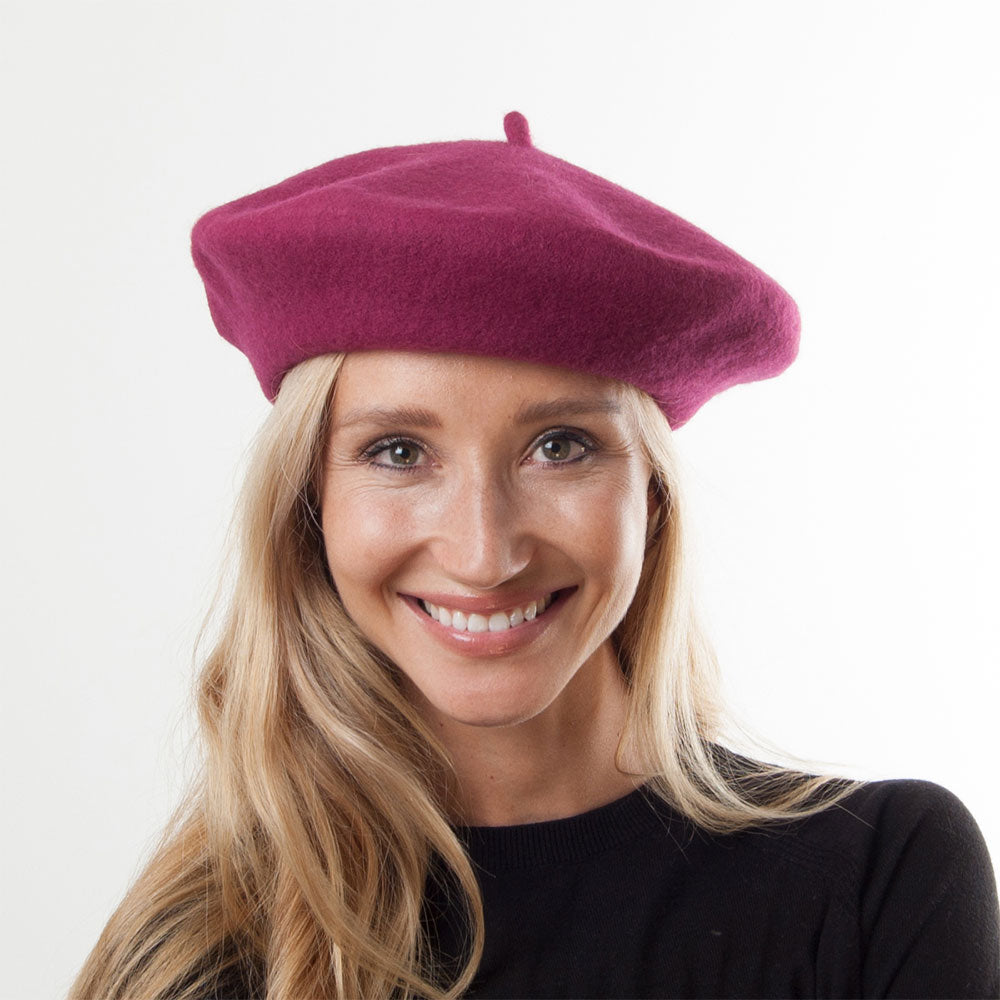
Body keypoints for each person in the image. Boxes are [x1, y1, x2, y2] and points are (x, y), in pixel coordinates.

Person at [69, 111, 1000, 1000]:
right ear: (310, 505)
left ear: (652, 496)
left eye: (560, 446)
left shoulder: (879, 884)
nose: (483, 554)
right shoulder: (202, 947)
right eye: (398, 452)